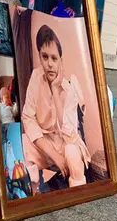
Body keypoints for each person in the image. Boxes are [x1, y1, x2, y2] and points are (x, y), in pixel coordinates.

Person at [21, 24, 90, 194]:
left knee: (72, 154)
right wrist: (53, 154)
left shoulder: (69, 88)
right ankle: (34, 190)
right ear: (39, 56)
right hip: (46, 143)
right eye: (45, 57)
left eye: (54, 58)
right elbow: (28, 118)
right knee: (22, 143)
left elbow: (69, 134)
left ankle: (78, 197)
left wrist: (55, 90)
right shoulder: (36, 77)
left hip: (66, 142)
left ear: (60, 60)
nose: (50, 64)